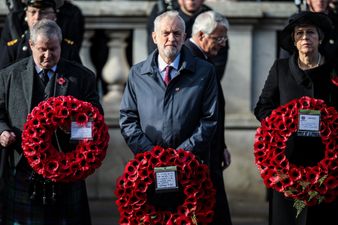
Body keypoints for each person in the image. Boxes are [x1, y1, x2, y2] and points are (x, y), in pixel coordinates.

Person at [120, 10, 221, 222]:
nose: (171, 39)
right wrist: (152, 157)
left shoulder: (205, 71)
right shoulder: (137, 74)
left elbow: (209, 120)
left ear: (184, 37)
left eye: (177, 33)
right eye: (165, 33)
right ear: (154, 37)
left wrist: (180, 157)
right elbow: (128, 119)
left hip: (190, 170)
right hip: (147, 172)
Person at [0, 19, 102, 224]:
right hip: (22, 168)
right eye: (42, 49)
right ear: (31, 45)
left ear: (61, 45)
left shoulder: (81, 78)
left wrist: (71, 128)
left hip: (66, 170)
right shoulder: (8, 76)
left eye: (53, 49)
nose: (48, 55)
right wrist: (2, 131)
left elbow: (94, 123)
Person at [254, 11, 338, 225]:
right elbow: (262, 107)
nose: (305, 38)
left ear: (319, 38)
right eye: (299, 34)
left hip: (324, 164)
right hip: (287, 163)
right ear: (294, 40)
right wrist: (281, 123)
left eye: (310, 33)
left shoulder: (333, 71)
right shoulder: (280, 69)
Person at [184, 10, 232, 225]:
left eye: (224, 38)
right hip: (198, 152)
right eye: (219, 38)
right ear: (202, 35)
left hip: (210, 148)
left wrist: (221, 145)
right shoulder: (189, 60)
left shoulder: (202, 59)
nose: (222, 44)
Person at [146, 0, 229, 80]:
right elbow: (156, 52)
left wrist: (207, 79)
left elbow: (219, 61)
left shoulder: (212, 19)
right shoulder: (164, 12)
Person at [0, 0, 82, 69]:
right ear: (26, 16)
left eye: (44, 12)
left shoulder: (68, 49)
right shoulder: (13, 49)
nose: (37, 17)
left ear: (54, 16)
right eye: (33, 12)